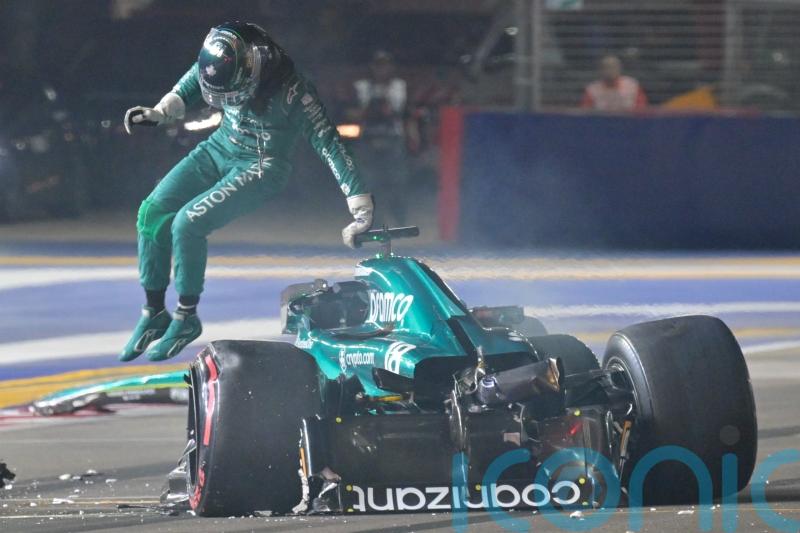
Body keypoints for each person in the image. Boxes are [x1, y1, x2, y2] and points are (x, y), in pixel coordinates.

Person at [120, 21, 373, 362]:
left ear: (258, 68)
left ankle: (185, 316)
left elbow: (329, 144)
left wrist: (359, 204)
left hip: (261, 165)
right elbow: (198, 75)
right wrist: (162, 111)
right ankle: (154, 312)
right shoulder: (229, 58)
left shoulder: (295, 93)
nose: (227, 101)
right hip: (219, 146)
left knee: (186, 224)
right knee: (151, 211)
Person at [350, 50, 410, 225]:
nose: (381, 70)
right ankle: (373, 221)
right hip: (369, 139)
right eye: (378, 66)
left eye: (385, 66)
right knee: (369, 183)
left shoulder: (399, 87)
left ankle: (400, 219)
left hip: (393, 138)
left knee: (397, 182)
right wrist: (368, 111)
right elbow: (352, 112)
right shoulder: (362, 87)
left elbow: (402, 112)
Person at [581, 55, 648, 112]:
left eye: (613, 67)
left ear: (620, 68)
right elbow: (586, 113)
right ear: (601, 70)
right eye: (606, 67)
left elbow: (641, 110)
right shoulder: (592, 90)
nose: (610, 70)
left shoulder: (632, 86)